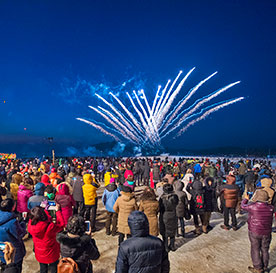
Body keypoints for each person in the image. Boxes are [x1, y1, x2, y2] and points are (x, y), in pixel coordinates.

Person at [241, 190, 274, 273]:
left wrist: (246, 199)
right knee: (265, 249)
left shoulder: (253, 206)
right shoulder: (271, 208)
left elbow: (243, 206)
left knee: (255, 248)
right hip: (267, 232)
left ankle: (258, 267)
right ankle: (265, 266)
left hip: (254, 231)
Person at [28, 206, 65, 273]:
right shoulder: (50, 226)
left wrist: (45, 210)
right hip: (51, 253)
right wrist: (58, 211)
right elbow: (61, 225)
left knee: (43, 268)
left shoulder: (31, 224)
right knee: (54, 268)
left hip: (39, 252)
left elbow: (44, 219)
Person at [0, 199, 26, 273]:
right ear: (13, 207)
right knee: (15, 269)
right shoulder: (12, 222)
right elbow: (21, 234)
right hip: (13, 252)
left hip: (2, 249)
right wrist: (22, 224)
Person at [159, 184, 179, 252]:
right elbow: (177, 203)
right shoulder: (175, 196)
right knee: (172, 230)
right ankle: (172, 245)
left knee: (165, 231)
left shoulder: (162, 198)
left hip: (164, 215)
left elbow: (160, 207)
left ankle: (166, 246)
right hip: (173, 214)